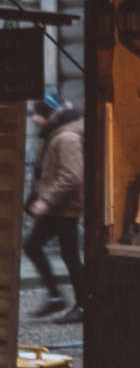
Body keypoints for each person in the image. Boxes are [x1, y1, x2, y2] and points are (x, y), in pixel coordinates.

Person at [25, 93, 84, 323]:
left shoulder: (66, 137)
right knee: (65, 253)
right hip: (60, 207)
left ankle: (75, 303)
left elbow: (72, 176)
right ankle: (62, 299)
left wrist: (46, 200)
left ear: (48, 114)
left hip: (64, 207)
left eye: (36, 114)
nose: (33, 119)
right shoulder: (55, 133)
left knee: (42, 248)